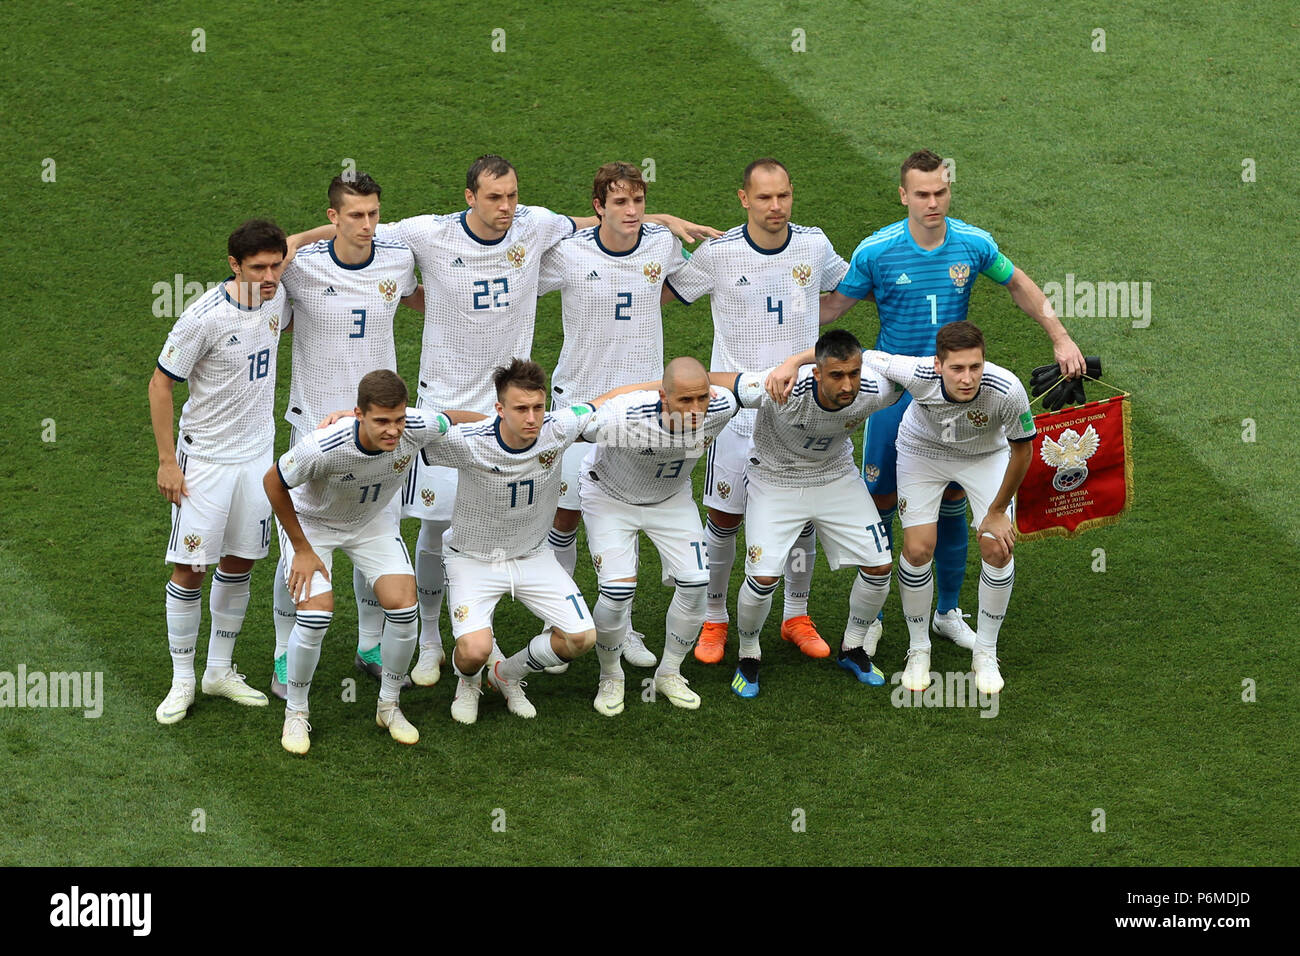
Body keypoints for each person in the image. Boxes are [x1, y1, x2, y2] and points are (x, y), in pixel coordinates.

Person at [374, 156, 716, 687]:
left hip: (574, 408)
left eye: (512, 195)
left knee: (584, 510)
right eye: (494, 197)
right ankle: (431, 640)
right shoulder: (432, 234)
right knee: (445, 524)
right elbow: (364, 227)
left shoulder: (539, 227)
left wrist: (662, 220)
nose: (506, 206)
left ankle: (594, 621)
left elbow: (594, 226)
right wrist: (298, 243)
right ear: (470, 197)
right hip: (455, 399)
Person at [819, 149, 1082, 657]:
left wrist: (1059, 335)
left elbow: (1020, 284)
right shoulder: (877, 251)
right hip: (896, 391)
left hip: (955, 389)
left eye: (941, 192)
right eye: (922, 194)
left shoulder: (973, 243)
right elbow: (835, 308)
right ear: (903, 195)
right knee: (880, 501)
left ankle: (946, 613)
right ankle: (870, 615)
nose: (933, 202)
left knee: (954, 503)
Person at [770, 322, 1031, 694]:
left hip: (984, 456)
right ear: (938, 366)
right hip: (923, 452)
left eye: (975, 367)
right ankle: (918, 647)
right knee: (918, 548)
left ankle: (986, 652)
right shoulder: (915, 371)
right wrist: (793, 363)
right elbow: (852, 355)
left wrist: (997, 511)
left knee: (996, 544)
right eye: (957, 368)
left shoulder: (1006, 389)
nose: (968, 377)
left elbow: (1023, 449)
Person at [661, 158, 850, 665]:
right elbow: (666, 290)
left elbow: (845, 289)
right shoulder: (718, 255)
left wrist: (817, 335)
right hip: (737, 415)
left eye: (783, 196)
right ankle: (715, 618)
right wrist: (655, 223)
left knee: (802, 519)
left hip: (803, 412)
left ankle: (796, 615)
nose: (775, 207)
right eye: (764, 198)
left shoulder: (814, 245)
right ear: (743, 198)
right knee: (725, 515)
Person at [263, 370, 483, 754]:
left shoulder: (415, 426)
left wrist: (511, 428)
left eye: (398, 419)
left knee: (404, 607)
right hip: (314, 524)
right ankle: (296, 713)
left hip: (370, 522)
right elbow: (273, 482)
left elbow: (454, 417)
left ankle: (389, 705)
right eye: (382, 420)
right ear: (358, 414)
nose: (393, 430)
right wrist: (300, 548)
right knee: (316, 616)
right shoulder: (324, 445)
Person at [269, 172, 425, 699]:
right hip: (315, 424)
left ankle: (370, 644)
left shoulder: (398, 260)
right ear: (332, 217)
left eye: (374, 214)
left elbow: (418, 297)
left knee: (374, 525)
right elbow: (272, 310)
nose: (366, 225)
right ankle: (282, 650)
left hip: (380, 427)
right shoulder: (302, 268)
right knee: (303, 539)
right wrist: (294, 242)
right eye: (354, 215)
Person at [535, 160, 689, 672]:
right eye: (619, 202)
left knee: (627, 506)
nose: (631, 211)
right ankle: (557, 620)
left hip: (643, 408)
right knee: (566, 513)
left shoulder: (662, 245)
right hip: (580, 402)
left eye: (638, 201)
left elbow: (680, 285)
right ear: (598, 206)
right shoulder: (568, 254)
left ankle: (620, 628)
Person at [433, 359, 638, 725]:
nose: (532, 418)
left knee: (581, 638)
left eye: (538, 407)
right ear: (499, 409)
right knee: (473, 651)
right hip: (472, 559)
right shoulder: (468, 443)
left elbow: (606, 402)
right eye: (520, 409)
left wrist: (665, 390)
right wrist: (344, 418)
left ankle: (507, 675)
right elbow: (408, 428)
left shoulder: (557, 429)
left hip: (532, 555)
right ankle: (468, 681)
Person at [149, 219, 290, 724]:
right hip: (204, 460)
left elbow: (298, 245)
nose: (271, 275)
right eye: (259, 267)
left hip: (256, 459)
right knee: (191, 567)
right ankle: (182, 679)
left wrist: (337, 225)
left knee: (241, 560)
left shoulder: (275, 292)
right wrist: (168, 461)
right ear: (234, 266)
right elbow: (160, 385)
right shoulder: (202, 318)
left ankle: (219, 670)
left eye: (277, 264)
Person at [720, 330, 900, 698]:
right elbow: (716, 381)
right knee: (764, 576)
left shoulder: (877, 389)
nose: (848, 384)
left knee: (880, 565)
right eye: (836, 375)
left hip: (834, 475)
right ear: (816, 374)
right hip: (775, 478)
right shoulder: (780, 387)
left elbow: (925, 370)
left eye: (853, 372)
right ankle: (749, 656)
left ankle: (853, 648)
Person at [577, 356, 743, 715]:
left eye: (702, 398)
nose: (696, 409)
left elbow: (772, 381)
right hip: (610, 496)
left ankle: (670, 672)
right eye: (685, 400)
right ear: (663, 396)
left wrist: (800, 363)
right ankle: (610, 675)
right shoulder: (622, 416)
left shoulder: (723, 405)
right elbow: (560, 426)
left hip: (670, 497)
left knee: (697, 581)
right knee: (618, 590)